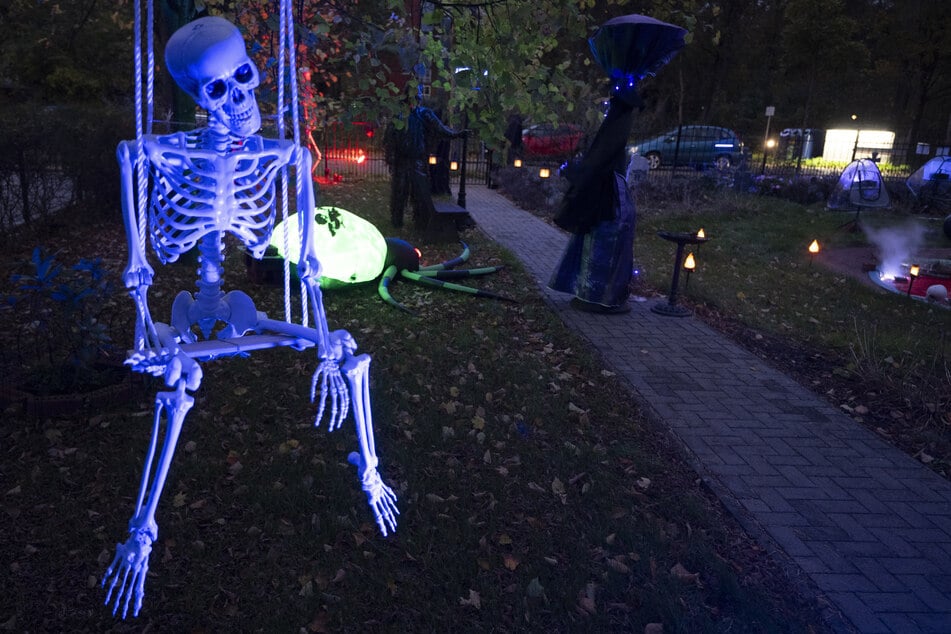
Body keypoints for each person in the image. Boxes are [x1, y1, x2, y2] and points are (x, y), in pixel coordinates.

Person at [548, 81, 641, 313]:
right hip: (607, 193)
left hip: (607, 196)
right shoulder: (616, 125)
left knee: (603, 244)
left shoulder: (617, 125)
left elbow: (601, 158)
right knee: (595, 241)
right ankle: (592, 294)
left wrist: (577, 172)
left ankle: (599, 296)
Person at [383, 90, 467, 232]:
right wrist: (390, 158)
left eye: (416, 98)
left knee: (420, 193)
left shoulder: (424, 114)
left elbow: (440, 128)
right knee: (399, 192)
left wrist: (456, 134)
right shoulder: (399, 116)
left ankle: (420, 220)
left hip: (418, 160)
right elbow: (389, 138)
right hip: (402, 160)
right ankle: (397, 220)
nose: (414, 101)